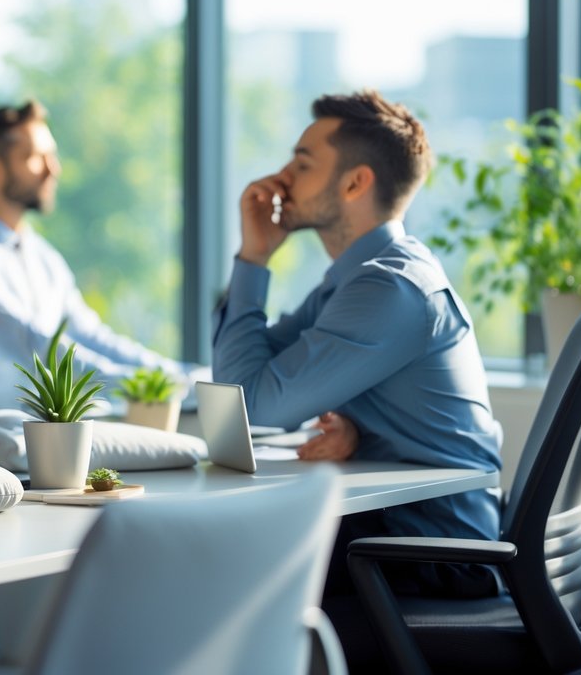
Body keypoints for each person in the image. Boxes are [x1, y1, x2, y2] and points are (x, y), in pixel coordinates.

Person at [211, 89, 503, 600]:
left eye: (302, 163)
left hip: (436, 558)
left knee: (220, 572)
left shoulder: (389, 288)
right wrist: (361, 431)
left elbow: (249, 404)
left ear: (354, 182)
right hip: (397, 538)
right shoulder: (355, 282)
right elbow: (244, 383)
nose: (282, 177)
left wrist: (254, 262)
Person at [0, 101, 188, 417]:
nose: (53, 169)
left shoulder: (43, 256)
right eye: (35, 157)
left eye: (52, 155)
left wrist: (175, 374)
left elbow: (92, 336)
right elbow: (31, 345)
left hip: (51, 442)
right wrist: (146, 386)